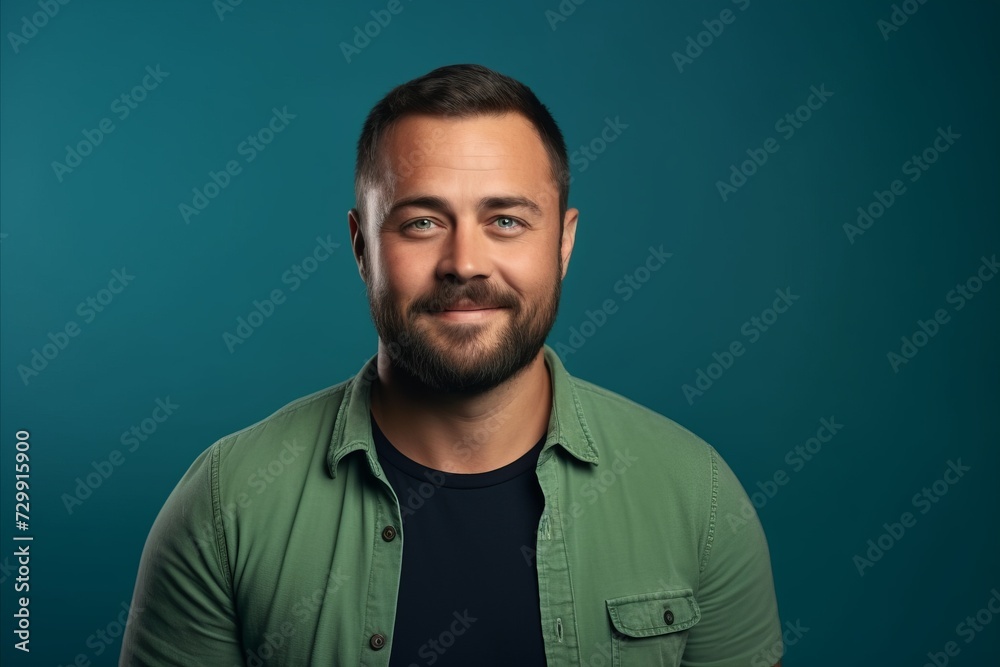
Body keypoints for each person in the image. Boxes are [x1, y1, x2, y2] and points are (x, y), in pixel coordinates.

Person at [120, 63, 783, 667]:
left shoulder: (698, 499)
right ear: (361, 246)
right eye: (421, 223)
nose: (464, 262)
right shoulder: (224, 505)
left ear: (564, 242)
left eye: (505, 221)